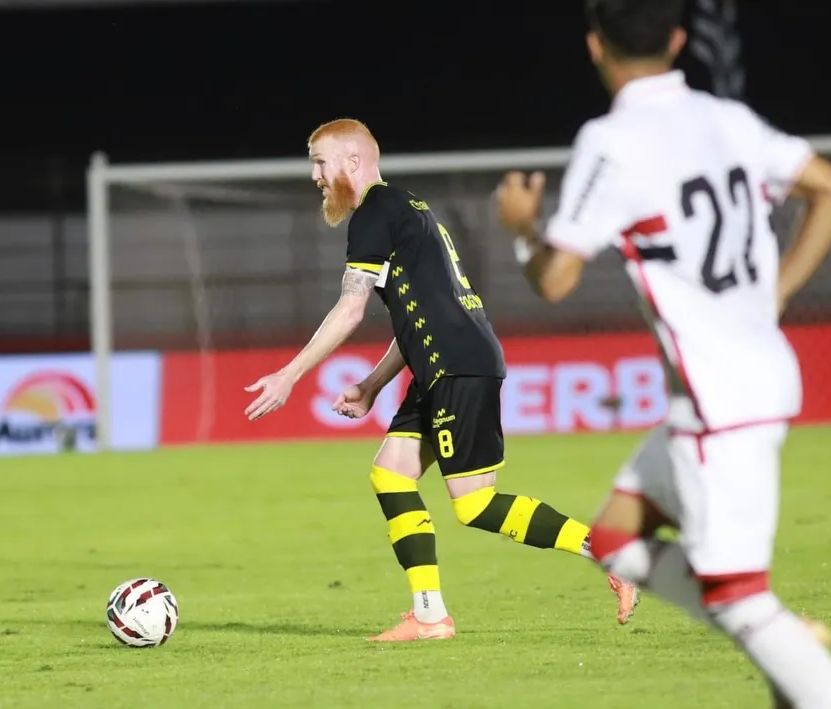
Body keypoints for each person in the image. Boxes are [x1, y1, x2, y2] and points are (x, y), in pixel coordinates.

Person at [495, 0, 831, 708]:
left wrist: (522, 229)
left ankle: (781, 644)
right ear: (677, 39)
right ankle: (776, 640)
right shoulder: (729, 121)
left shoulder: (613, 140)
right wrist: (776, 292)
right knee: (611, 536)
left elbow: (555, 278)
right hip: (740, 383)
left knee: (740, 599)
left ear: (595, 47)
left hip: (718, 401)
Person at [244, 117, 639, 642]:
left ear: (353, 162)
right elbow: (419, 314)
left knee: (474, 504)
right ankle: (429, 615)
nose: (315, 175)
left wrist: (290, 374)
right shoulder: (405, 209)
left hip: (456, 364)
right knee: (390, 473)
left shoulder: (374, 213)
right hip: (443, 361)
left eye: (320, 162)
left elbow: (350, 308)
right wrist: (372, 385)